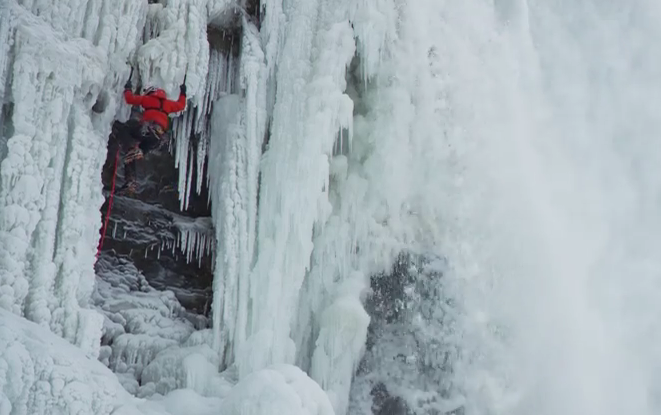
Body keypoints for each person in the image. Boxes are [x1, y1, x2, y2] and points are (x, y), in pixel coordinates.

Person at [114, 78, 187, 195]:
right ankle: (131, 180)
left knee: (125, 130)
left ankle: (130, 149)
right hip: (158, 138)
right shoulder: (168, 104)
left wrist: (127, 88)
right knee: (133, 153)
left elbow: (129, 99)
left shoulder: (147, 99)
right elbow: (181, 105)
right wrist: (183, 92)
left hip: (149, 129)